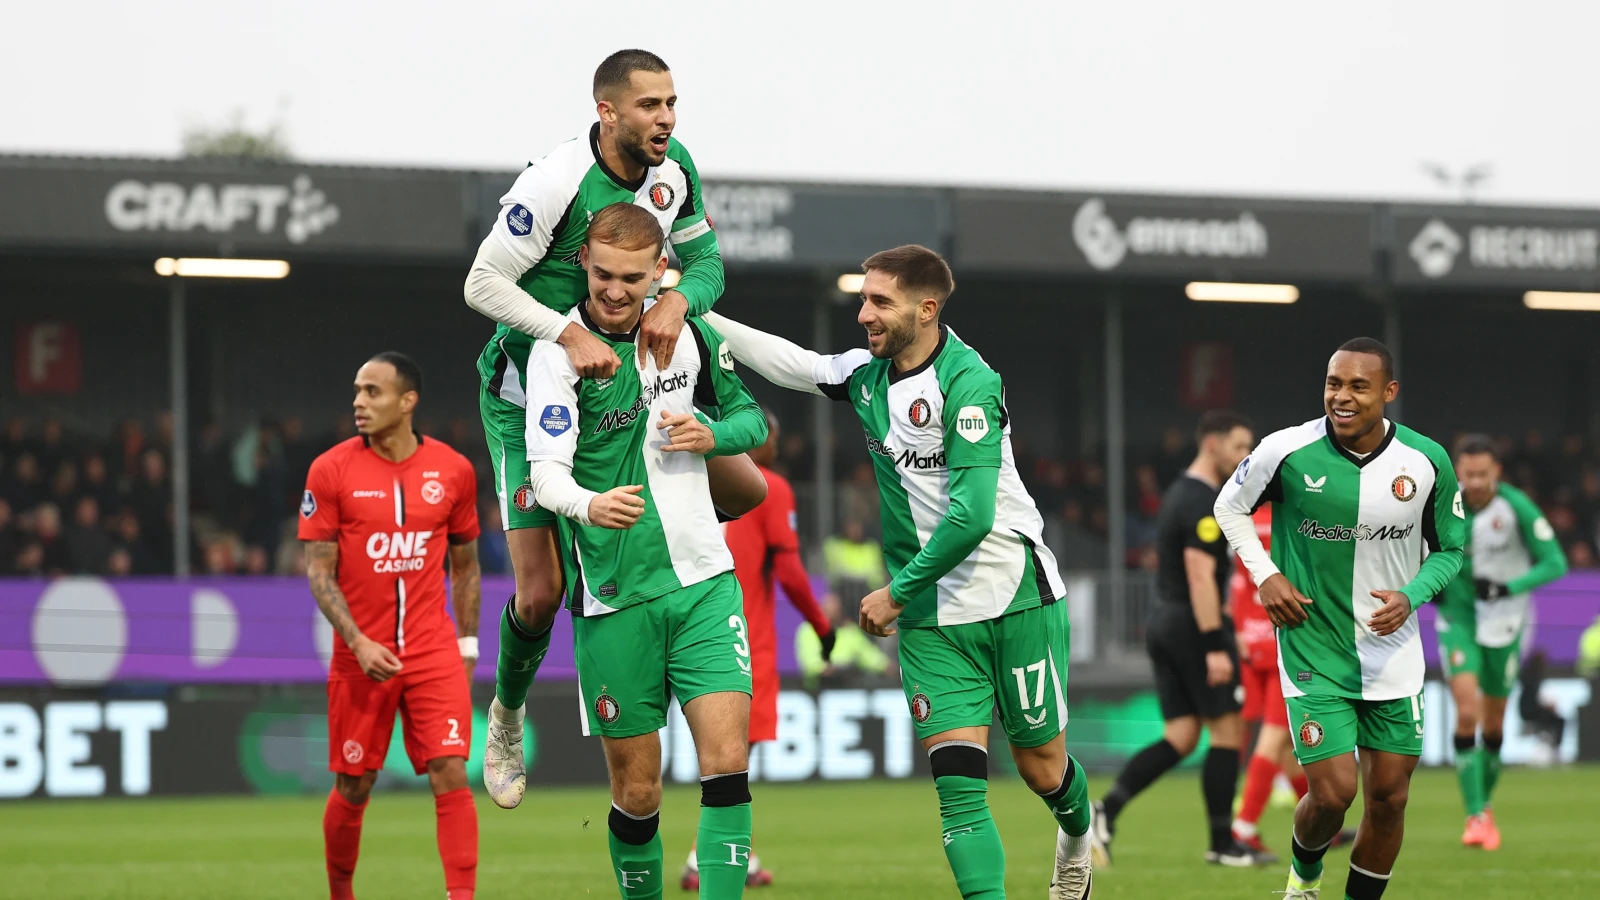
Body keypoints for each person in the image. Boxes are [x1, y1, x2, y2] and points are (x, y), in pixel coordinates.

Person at [706, 245, 1094, 900]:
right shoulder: (867, 378)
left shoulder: (971, 382)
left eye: (879, 301)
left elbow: (971, 517)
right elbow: (794, 364)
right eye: (863, 299)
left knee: (1042, 767)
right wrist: (690, 309)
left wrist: (895, 592)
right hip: (934, 623)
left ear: (927, 309)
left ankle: (1079, 837)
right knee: (959, 791)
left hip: (1013, 599)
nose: (863, 314)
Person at [464, 50, 768, 807]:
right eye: (650, 106)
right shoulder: (555, 183)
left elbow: (707, 268)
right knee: (539, 593)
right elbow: (480, 283)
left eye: (672, 103)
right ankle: (505, 713)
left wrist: (679, 303)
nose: (666, 118)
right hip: (526, 392)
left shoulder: (677, 170)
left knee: (745, 490)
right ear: (608, 113)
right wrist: (565, 336)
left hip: (629, 386)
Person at [521, 203, 769, 900]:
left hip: (702, 583)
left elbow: (753, 417)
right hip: (613, 598)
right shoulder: (557, 354)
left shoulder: (688, 332)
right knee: (638, 790)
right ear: (584, 265)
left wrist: (710, 436)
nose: (615, 290)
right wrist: (587, 505)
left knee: (725, 762)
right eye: (603, 274)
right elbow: (545, 474)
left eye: (632, 278)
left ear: (658, 270)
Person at [1214, 337, 1465, 900]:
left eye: (1358, 386)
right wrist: (1266, 575)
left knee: (1390, 799)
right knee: (1331, 794)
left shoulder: (1426, 463)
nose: (1342, 397)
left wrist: (1412, 593)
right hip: (1314, 646)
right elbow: (1228, 506)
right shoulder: (1285, 450)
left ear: (1389, 392)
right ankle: (1303, 880)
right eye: (1334, 384)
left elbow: (1450, 548)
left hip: (1394, 652)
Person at [298, 352, 484, 900]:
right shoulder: (329, 470)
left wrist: (467, 647)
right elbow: (318, 570)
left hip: (432, 651)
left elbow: (466, 566)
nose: (359, 402)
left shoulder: (453, 470)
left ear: (408, 402)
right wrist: (357, 641)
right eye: (357, 391)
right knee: (354, 784)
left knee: (452, 770)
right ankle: (340, 893)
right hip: (361, 657)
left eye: (373, 392)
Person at [1088, 411, 1268, 868]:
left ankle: (1105, 811)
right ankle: (1223, 844)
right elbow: (1200, 574)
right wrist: (1214, 643)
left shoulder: (1183, 495)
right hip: (1192, 626)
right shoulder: (1201, 501)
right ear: (1212, 444)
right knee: (1228, 731)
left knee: (1182, 736)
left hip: (1165, 623)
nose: (1246, 456)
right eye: (1239, 446)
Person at [680, 411, 836, 891]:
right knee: (731, 750)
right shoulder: (769, 486)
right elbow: (789, 574)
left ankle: (717, 854)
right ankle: (709, 857)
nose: (777, 446)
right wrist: (822, 626)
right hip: (737, 631)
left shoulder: (688, 473)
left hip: (680, 620)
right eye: (773, 437)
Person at [1436, 434, 1567, 849]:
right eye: (1468, 473)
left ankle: (1485, 804)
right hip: (1458, 620)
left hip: (1505, 625)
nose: (1474, 482)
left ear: (1497, 472)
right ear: (1458, 471)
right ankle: (1474, 816)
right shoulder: (1443, 503)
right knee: (1467, 715)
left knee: (1493, 725)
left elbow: (1555, 563)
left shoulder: (1516, 508)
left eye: (1483, 474)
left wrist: (1510, 587)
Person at [1229, 505, 1355, 857]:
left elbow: (1239, 582)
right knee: (1274, 739)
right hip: (1286, 638)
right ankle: (1244, 828)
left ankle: (1326, 827)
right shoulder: (1298, 516)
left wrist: (1239, 628)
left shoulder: (1243, 520)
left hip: (1251, 638)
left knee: (1285, 749)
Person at [796, 593, 891, 689]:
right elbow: (810, 661)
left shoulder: (849, 630)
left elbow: (867, 653)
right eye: (829, 611)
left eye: (836, 611)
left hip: (847, 684)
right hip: (819, 687)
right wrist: (825, 668)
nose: (832, 615)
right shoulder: (809, 630)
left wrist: (884, 665)